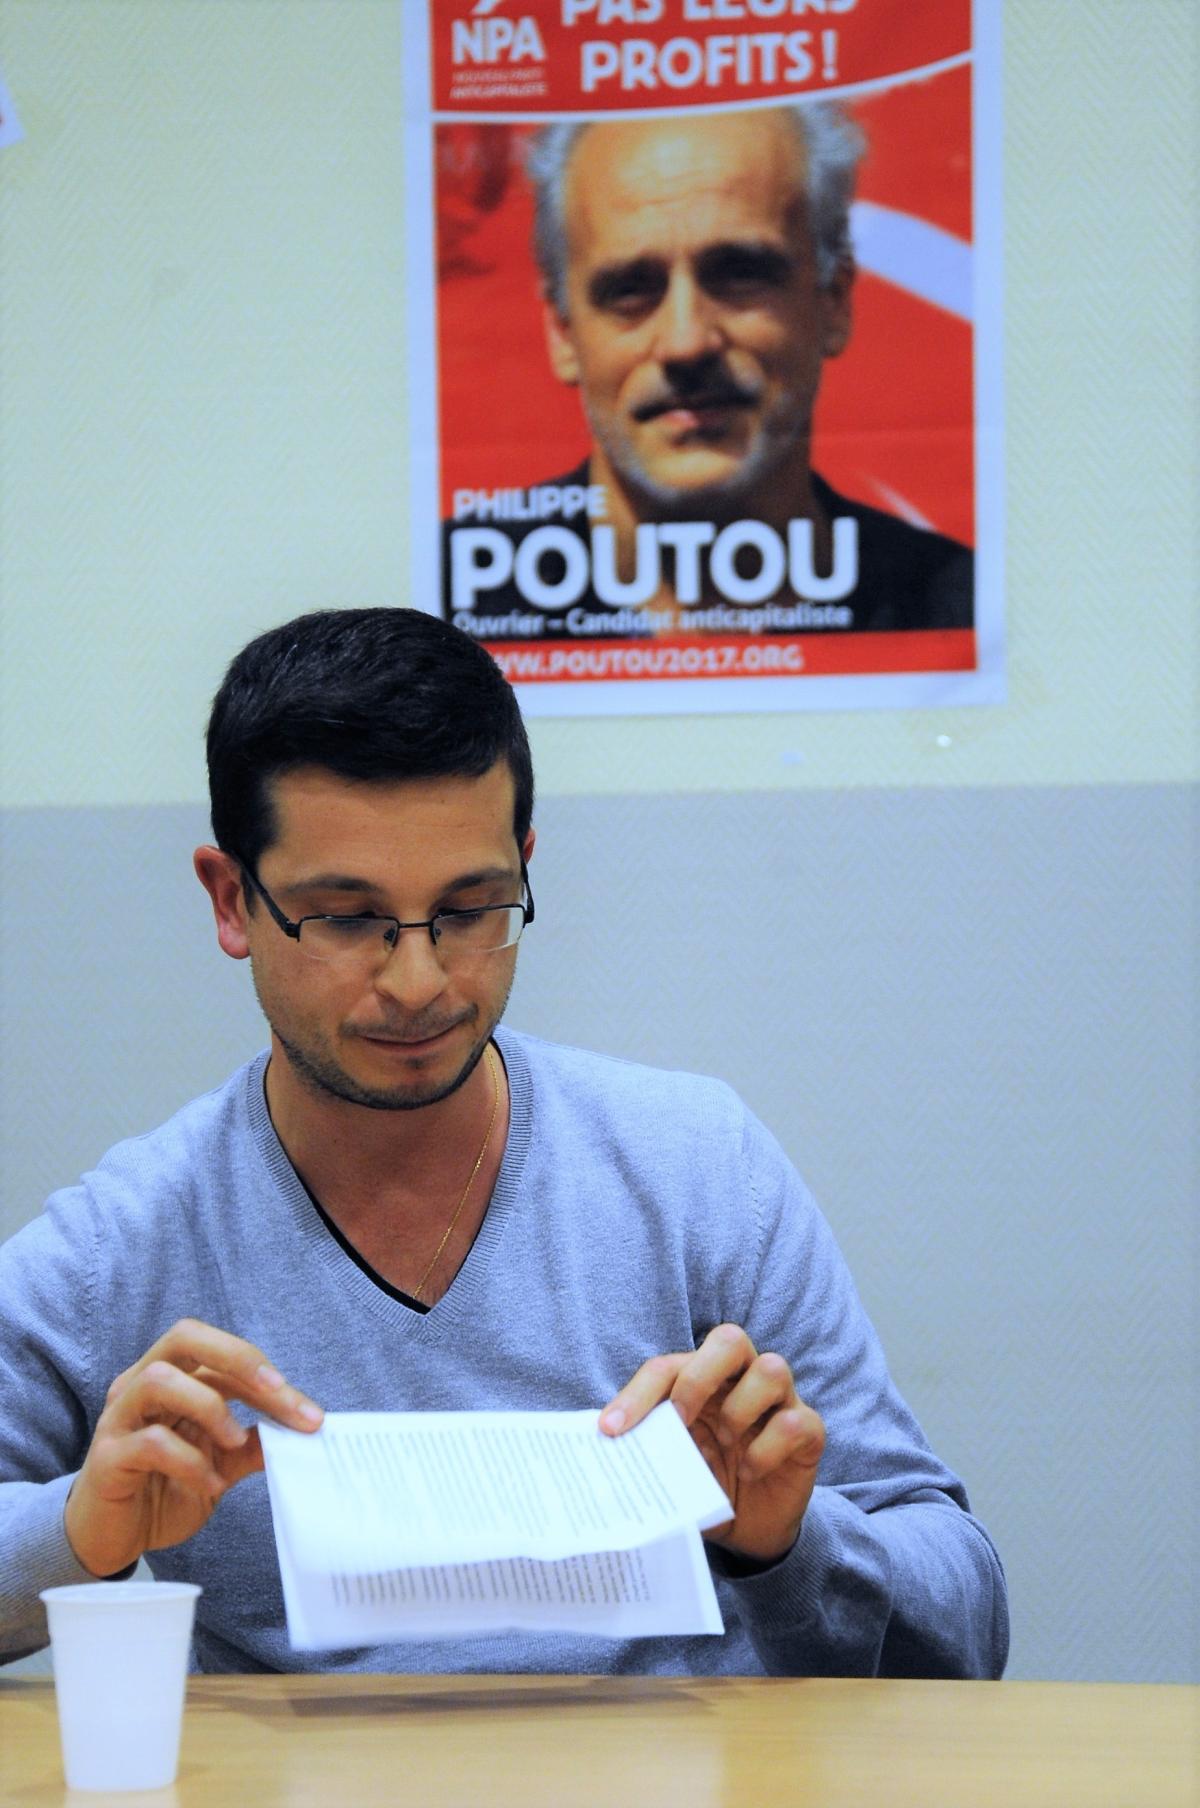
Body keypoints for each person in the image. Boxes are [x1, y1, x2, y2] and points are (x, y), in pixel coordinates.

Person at [0, 607, 1006, 1677]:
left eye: (472, 908)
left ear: (524, 867)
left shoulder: (697, 1173)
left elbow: (968, 1618)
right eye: (346, 919)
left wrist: (787, 1543)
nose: (418, 981)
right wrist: (79, 1528)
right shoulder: (128, 1241)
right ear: (231, 899)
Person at [444, 104, 973, 635]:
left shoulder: (960, 611)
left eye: (739, 274)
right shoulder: (437, 603)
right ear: (562, 332)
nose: (687, 343)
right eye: (630, 289)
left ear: (834, 300)